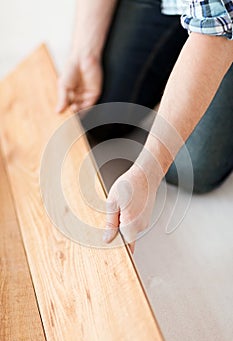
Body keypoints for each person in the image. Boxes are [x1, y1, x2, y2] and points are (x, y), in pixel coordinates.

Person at [57, 0, 233, 252]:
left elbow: (214, 34)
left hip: (224, 22)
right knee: (97, 115)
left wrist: (148, 170)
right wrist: (85, 53)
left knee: (190, 168)